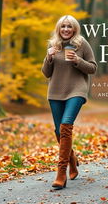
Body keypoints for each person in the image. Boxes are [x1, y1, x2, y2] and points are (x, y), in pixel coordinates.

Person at [42, 15, 97, 190]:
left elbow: (93, 68)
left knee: (66, 125)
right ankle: (72, 160)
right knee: (59, 131)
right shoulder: (53, 45)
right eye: (63, 26)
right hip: (55, 92)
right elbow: (46, 73)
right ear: (59, 29)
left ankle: (61, 173)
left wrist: (77, 61)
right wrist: (48, 58)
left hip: (76, 90)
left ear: (74, 29)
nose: (66, 29)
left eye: (69, 26)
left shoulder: (82, 44)